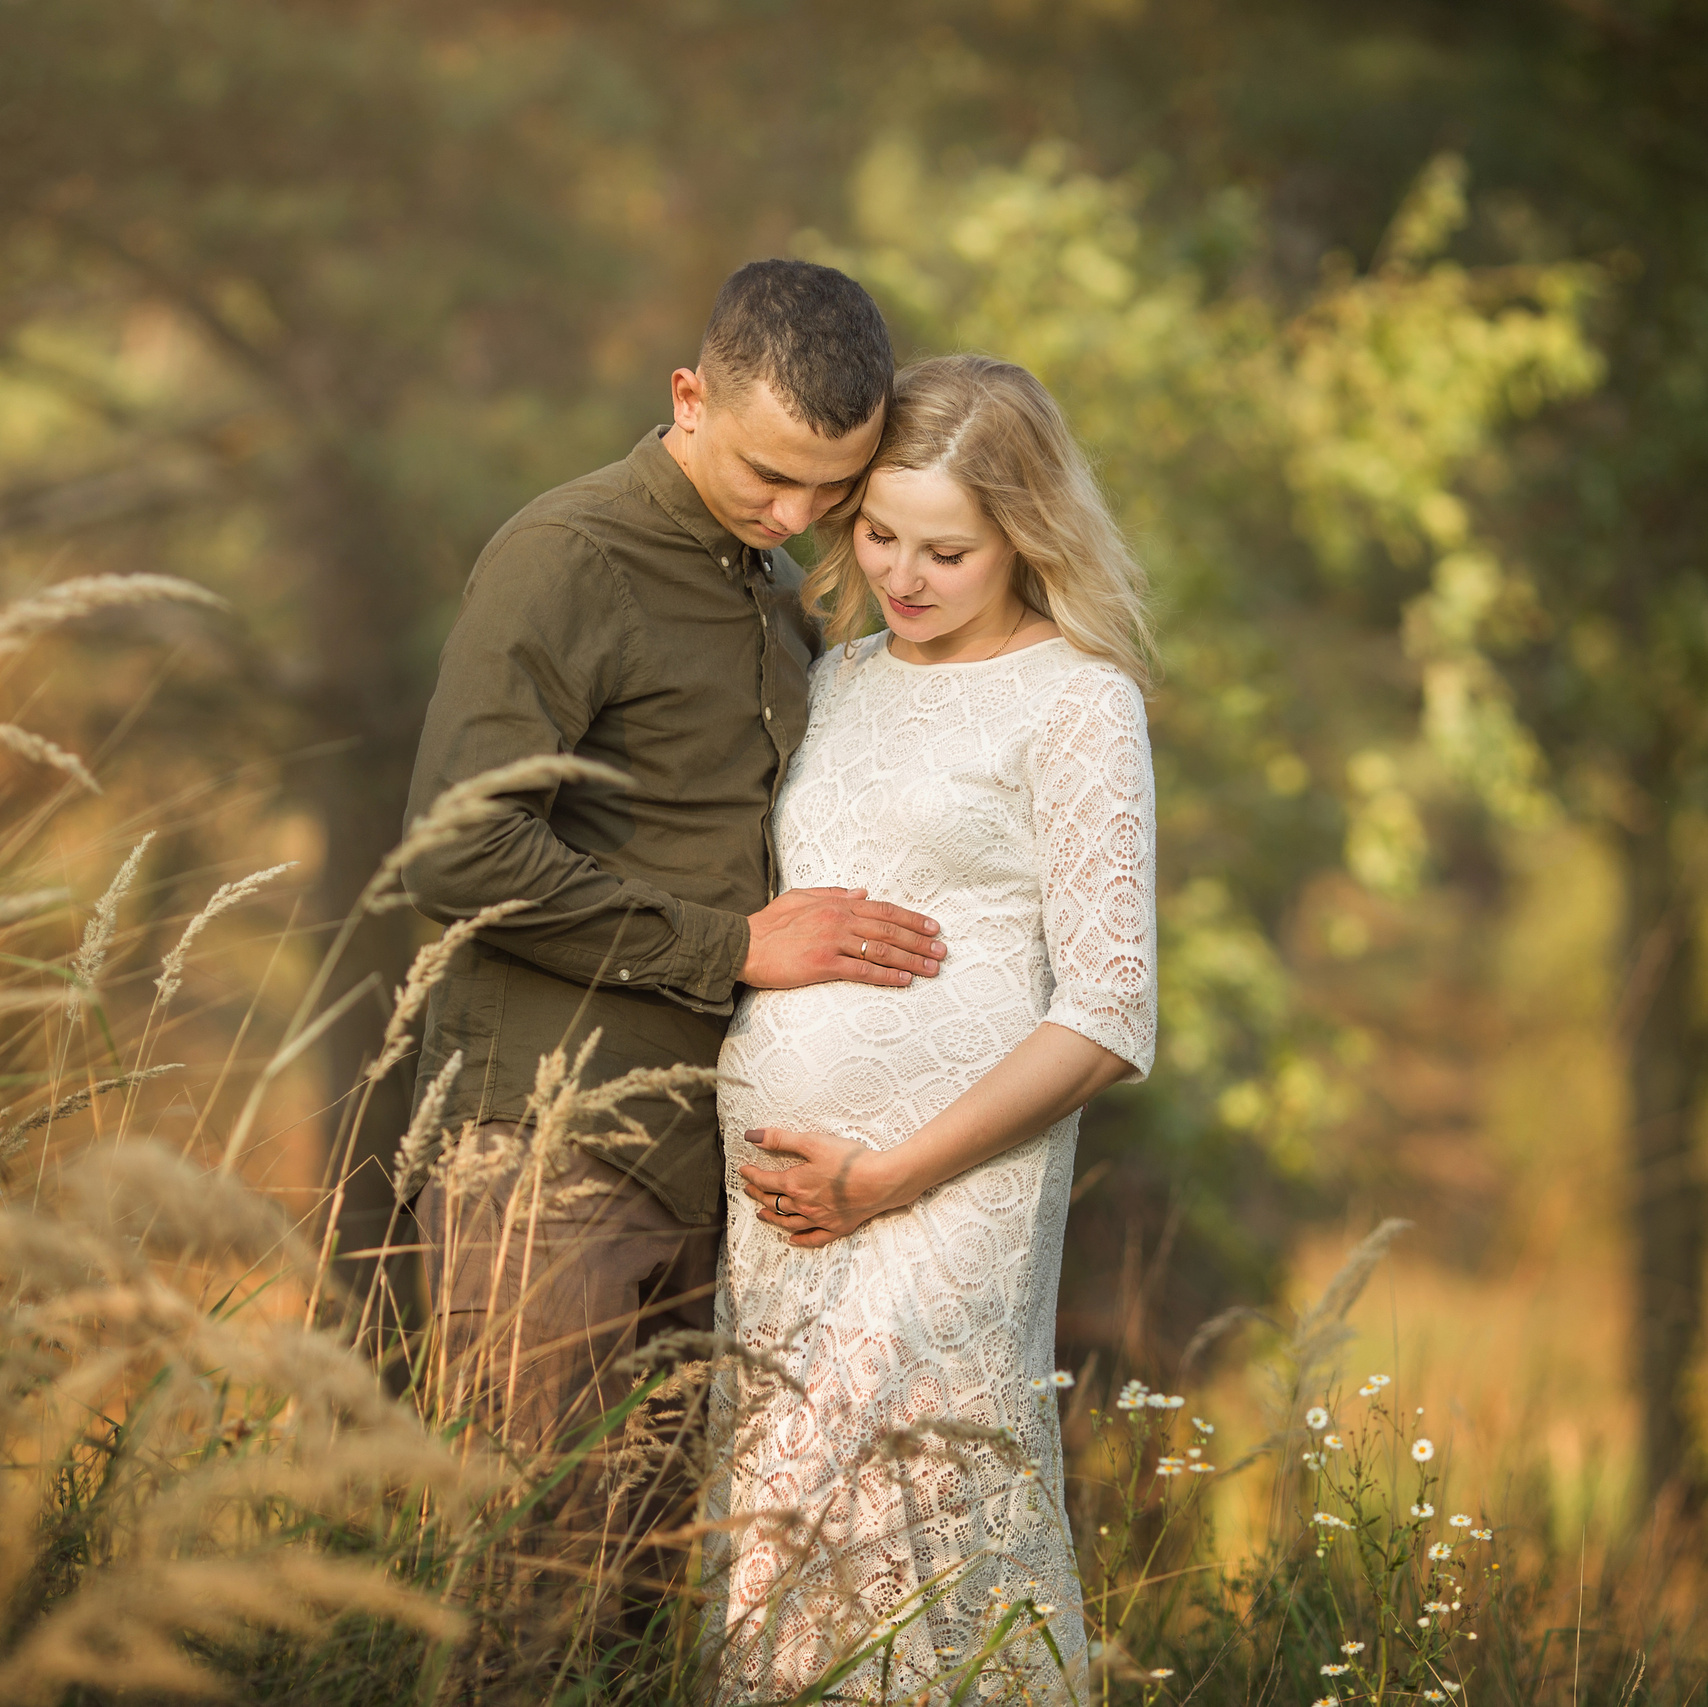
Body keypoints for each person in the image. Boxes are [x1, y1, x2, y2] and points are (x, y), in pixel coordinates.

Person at [400, 262, 948, 1542]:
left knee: (646, 1598)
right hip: (546, 1158)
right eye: (769, 473)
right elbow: (454, 847)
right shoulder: (567, 556)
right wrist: (735, 947)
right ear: (688, 397)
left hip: (711, 1168)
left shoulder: (772, 588)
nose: (797, 509)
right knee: (536, 1592)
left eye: (833, 485)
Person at [713, 353, 1157, 1699]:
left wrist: (888, 1174)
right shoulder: (839, 673)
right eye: (880, 533)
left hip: (941, 1192)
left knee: (916, 1533)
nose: (904, 574)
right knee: (781, 1557)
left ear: (1024, 533)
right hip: (785, 1202)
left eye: (947, 550)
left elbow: (1110, 1008)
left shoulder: (1081, 700)